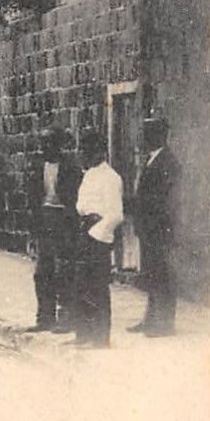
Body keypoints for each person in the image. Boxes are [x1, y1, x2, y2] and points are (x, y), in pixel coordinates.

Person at [27, 125, 83, 333]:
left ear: (59, 145)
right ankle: (44, 317)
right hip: (44, 220)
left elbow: (76, 198)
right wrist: (34, 227)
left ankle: (66, 317)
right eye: (43, 144)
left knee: (64, 271)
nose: (45, 148)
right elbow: (32, 197)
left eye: (50, 143)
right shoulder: (37, 166)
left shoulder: (71, 167)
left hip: (65, 221)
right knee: (43, 272)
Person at [72, 129, 123, 348]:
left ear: (99, 151)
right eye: (82, 149)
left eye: (88, 149)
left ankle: (101, 338)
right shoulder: (89, 174)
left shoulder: (110, 178)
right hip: (85, 232)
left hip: (98, 237)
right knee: (81, 285)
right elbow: (82, 205)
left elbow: (115, 215)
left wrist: (96, 235)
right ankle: (84, 335)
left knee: (98, 287)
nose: (84, 153)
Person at [131, 116, 177, 336]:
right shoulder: (152, 160)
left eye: (146, 133)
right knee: (152, 272)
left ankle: (164, 323)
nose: (142, 138)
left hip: (158, 227)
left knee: (161, 274)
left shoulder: (168, 162)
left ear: (158, 135)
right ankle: (150, 319)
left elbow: (166, 200)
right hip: (148, 227)